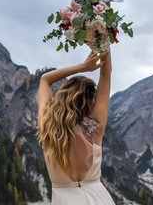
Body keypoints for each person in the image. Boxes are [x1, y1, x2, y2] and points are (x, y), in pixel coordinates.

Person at [37, 50, 115, 204]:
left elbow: (45, 80)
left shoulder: (47, 127)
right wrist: (102, 36)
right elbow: (106, 74)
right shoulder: (94, 128)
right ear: (90, 103)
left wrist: (83, 67)